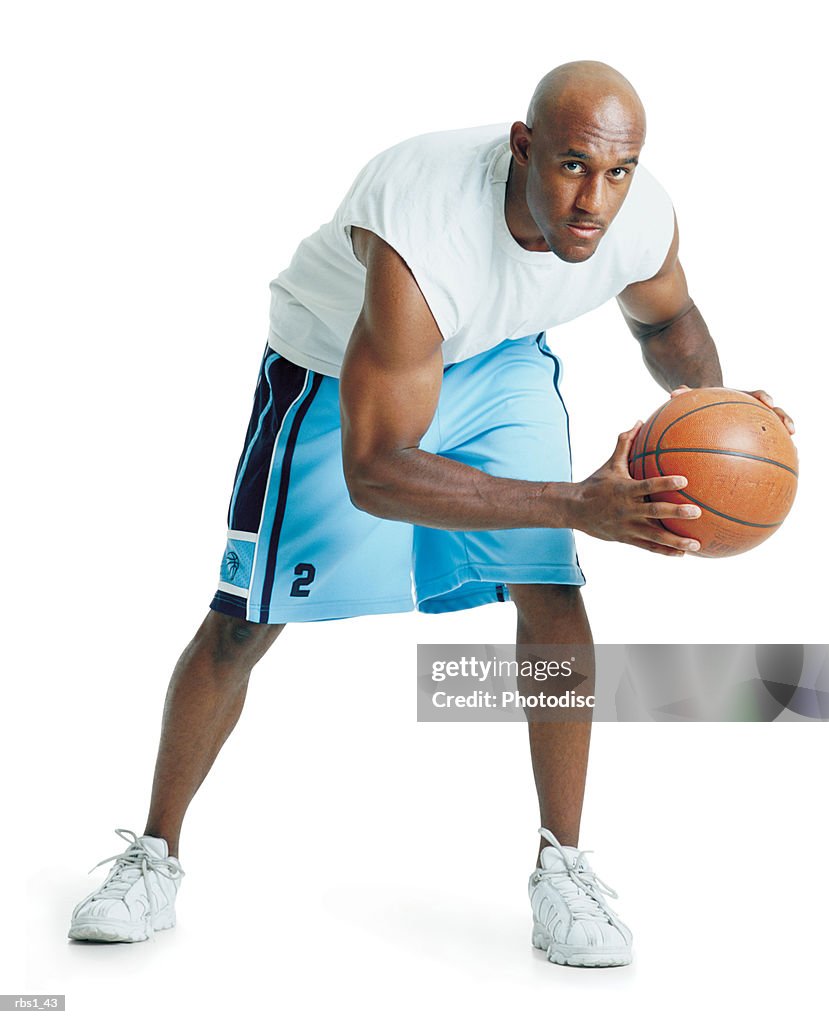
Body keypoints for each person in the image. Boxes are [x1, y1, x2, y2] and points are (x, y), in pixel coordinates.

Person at [67, 60, 794, 967]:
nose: (592, 201)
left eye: (616, 172)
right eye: (571, 165)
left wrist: (717, 415)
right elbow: (378, 470)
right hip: (343, 370)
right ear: (522, 146)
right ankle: (154, 855)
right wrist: (577, 502)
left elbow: (664, 323)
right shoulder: (422, 224)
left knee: (550, 590)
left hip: (495, 360)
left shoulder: (635, 216)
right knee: (243, 623)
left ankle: (561, 867)